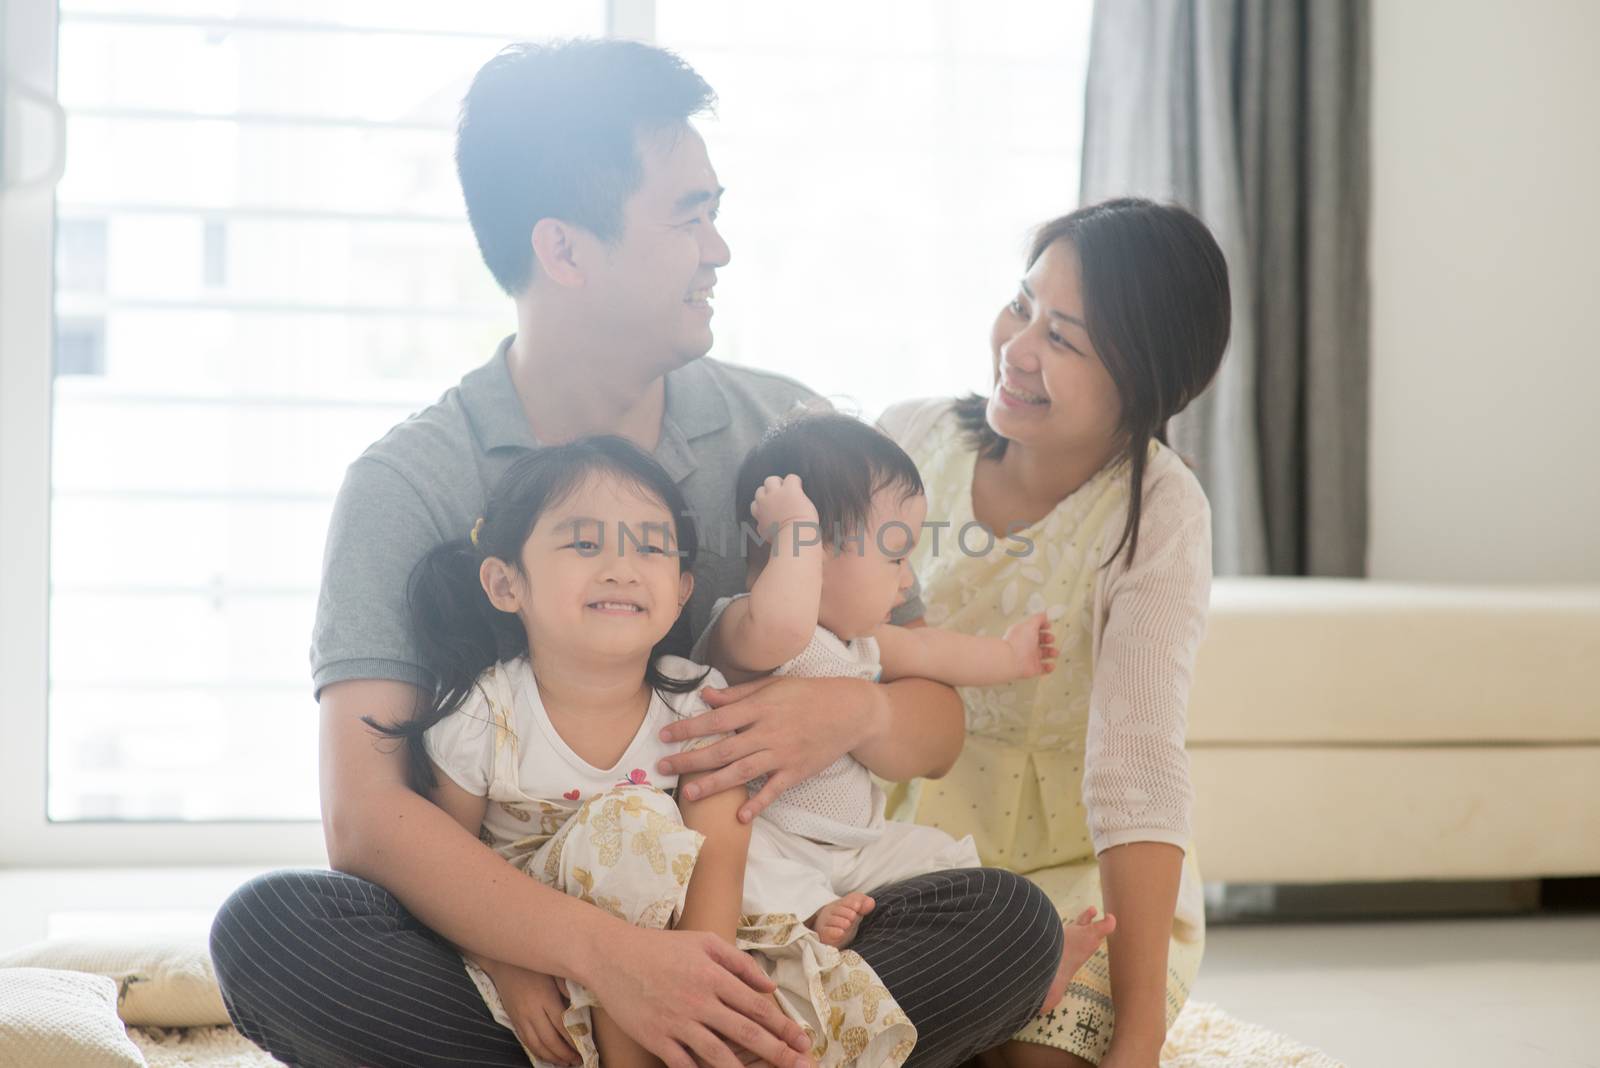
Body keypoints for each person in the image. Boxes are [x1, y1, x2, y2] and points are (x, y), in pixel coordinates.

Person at [209, 38, 1062, 1068]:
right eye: (688, 214)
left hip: (755, 922)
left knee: (1007, 924)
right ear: (565, 251)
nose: (719, 250)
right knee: (273, 934)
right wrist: (614, 962)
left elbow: (931, 721)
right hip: (518, 953)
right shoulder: (411, 481)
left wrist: (855, 708)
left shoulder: (786, 429)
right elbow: (368, 819)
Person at [365, 436, 914, 1068]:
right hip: (536, 961)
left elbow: (720, 862)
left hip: (684, 952)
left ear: (683, 589)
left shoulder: (698, 706)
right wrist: (506, 964)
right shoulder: (482, 715)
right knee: (627, 826)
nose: (622, 567)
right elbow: (449, 867)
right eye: (585, 543)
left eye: (650, 547)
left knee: (815, 1007)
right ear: (505, 582)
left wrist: (701, 992)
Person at [861, 198, 1230, 1068]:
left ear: (1144, 380)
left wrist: (1137, 1041)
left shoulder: (1158, 512)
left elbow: (1137, 763)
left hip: (1076, 876)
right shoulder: (907, 439)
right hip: (890, 848)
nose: (1016, 350)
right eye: (1021, 306)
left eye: (1063, 339)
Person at [690, 411, 1115, 1004]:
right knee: (747, 876)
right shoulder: (746, 626)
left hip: (858, 845)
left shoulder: (861, 640)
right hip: (771, 839)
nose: (907, 578)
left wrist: (1009, 657)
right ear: (814, 548)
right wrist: (794, 531)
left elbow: (931, 650)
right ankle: (810, 928)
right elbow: (785, 623)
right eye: (895, 556)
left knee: (956, 868)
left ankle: (1034, 966)